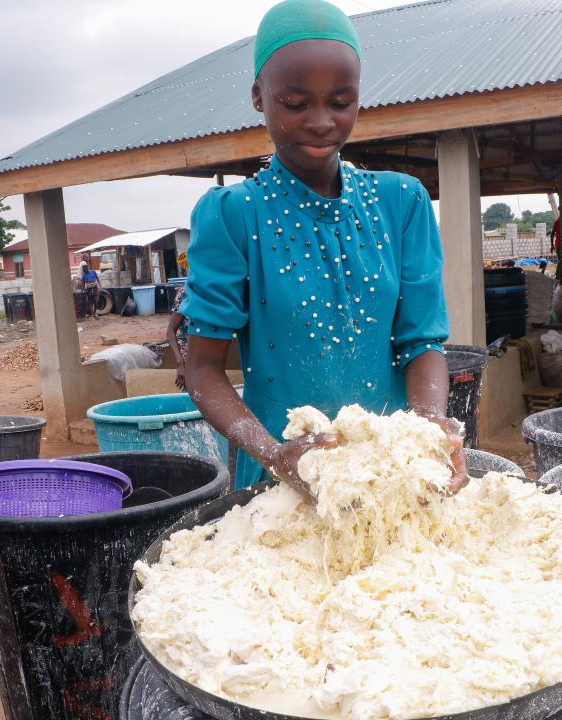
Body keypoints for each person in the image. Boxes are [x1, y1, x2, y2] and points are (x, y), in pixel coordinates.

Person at [181, 0, 465, 495]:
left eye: (340, 101)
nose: (320, 121)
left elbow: (423, 343)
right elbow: (203, 368)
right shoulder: (234, 214)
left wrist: (428, 431)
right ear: (259, 96)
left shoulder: (401, 202)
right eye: (295, 103)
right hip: (284, 480)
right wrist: (274, 455)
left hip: (392, 474)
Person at [167, 252, 190, 390]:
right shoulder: (184, 293)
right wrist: (180, 363)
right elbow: (170, 331)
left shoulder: (212, 293)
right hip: (189, 363)